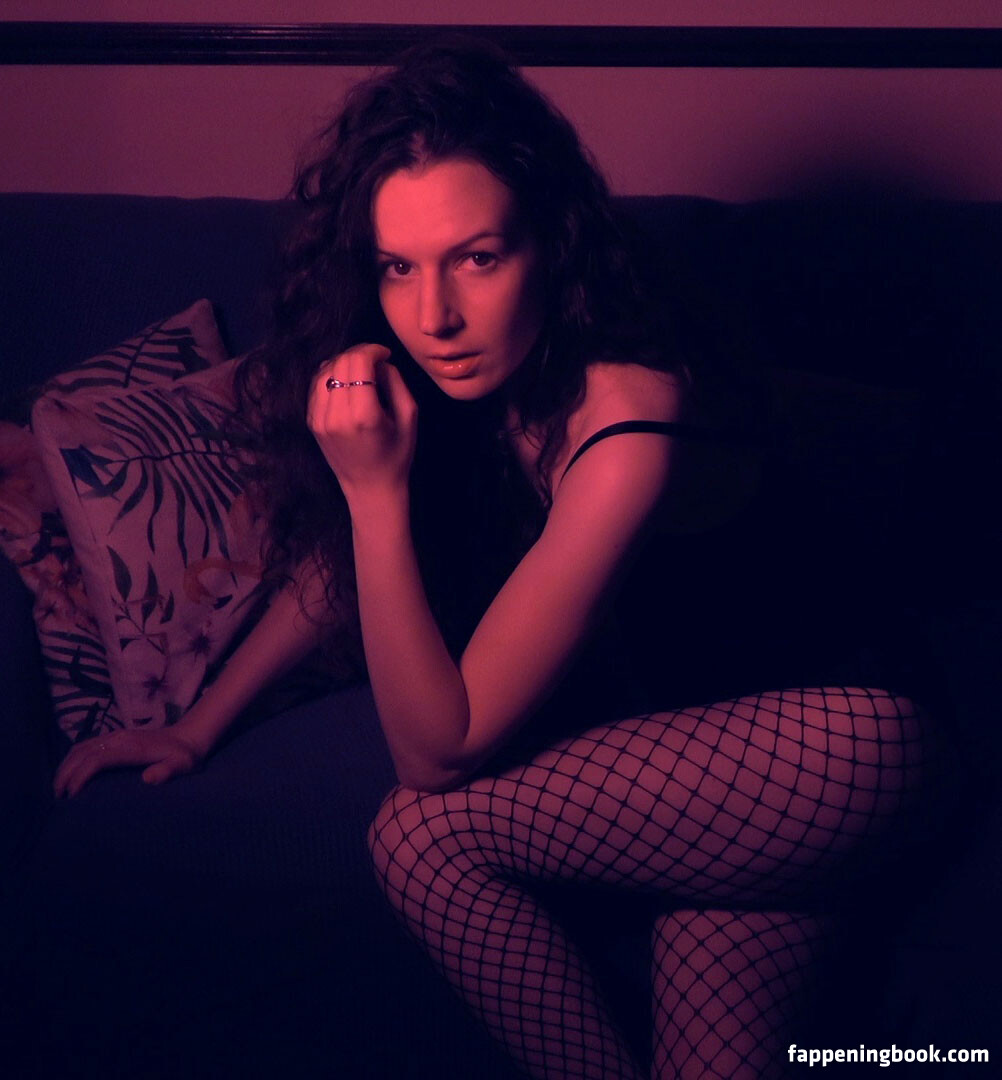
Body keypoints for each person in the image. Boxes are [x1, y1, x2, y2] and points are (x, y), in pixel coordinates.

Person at [55, 39, 946, 1080]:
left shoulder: (629, 417)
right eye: (399, 267)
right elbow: (335, 578)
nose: (435, 316)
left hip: (839, 742)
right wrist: (199, 724)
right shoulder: (468, 374)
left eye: (477, 258)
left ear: (551, 246)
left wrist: (375, 492)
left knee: (421, 837)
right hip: (702, 795)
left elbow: (439, 754)